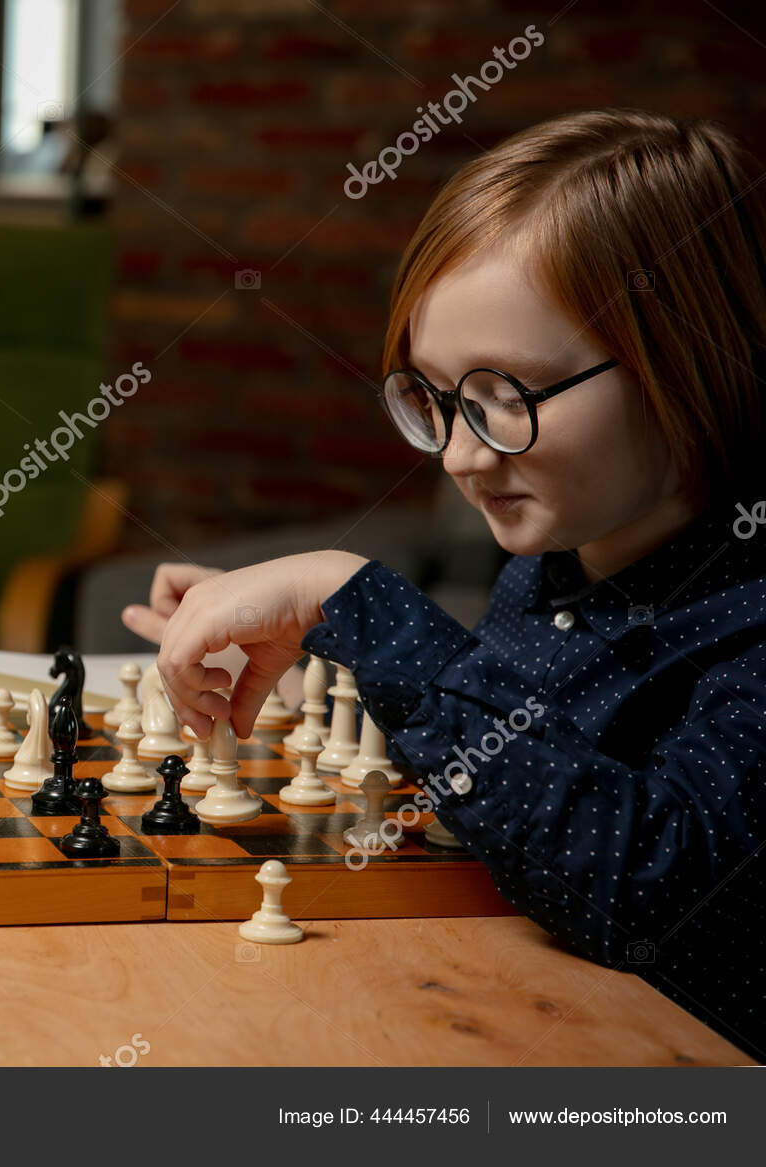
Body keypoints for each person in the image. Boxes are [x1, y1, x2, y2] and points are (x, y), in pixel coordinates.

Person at [124, 110, 766, 1061]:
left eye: (508, 397)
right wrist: (314, 667)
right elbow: (517, 772)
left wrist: (364, 609)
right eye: (436, 397)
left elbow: (650, 885)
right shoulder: (551, 570)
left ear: (689, 356)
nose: (462, 454)